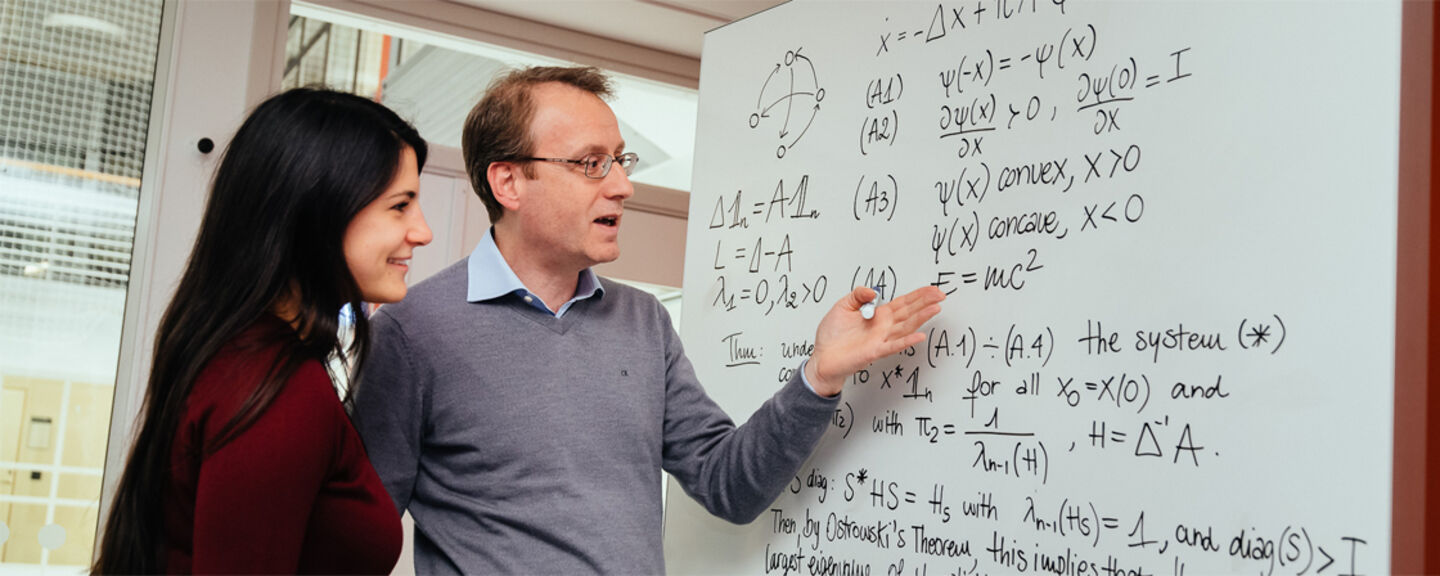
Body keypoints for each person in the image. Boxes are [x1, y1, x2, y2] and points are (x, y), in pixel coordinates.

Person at [350, 66, 945, 574]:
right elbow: (358, 542)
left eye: (619, 160)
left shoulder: (644, 320)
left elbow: (728, 485)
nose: (623, 185)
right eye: (590, 164)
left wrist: (820, 375)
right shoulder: (412, 333)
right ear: (508, 181)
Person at [92, 88, 433, 574]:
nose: (422, 232)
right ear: (318, 210)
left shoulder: (240, 353)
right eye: (400, 206)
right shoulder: (275, 388)